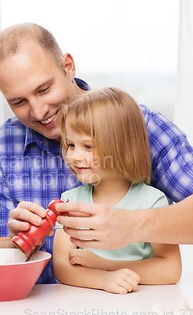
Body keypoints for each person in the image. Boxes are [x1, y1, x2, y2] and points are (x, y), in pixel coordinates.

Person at [0, 22, 193, 284]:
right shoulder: (0, 146)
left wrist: (131, 225)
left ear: (68, 66)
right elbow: (1, 258)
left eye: (44, 89)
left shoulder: (136, 124)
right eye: (18, 102)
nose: (38, 111)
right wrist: (18, 243)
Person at [52, 87, 182, 293]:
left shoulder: (152, 201)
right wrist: (103, 280)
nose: (75, 156)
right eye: (70, 145)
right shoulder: (70, 202)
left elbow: (170, 269)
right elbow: (61, 267)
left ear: (122, 147)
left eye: (87, 146)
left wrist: (105, 266)